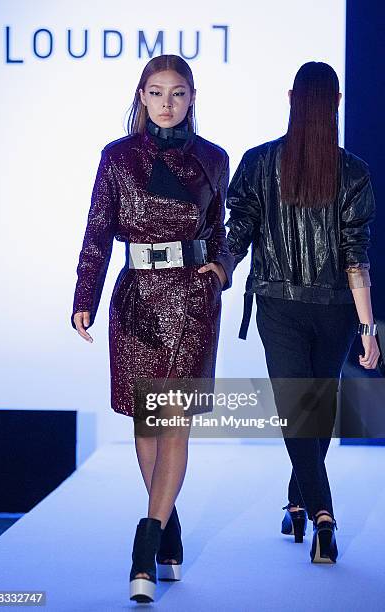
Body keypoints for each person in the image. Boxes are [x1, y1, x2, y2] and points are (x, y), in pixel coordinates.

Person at [71, 54, 234, 602]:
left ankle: (145, 544)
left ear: (192, 98)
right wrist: (83, 297)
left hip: (191, 300)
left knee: (174, 422)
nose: (168, 103)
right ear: (141, 96)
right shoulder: (116, 158)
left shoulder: (214, 158)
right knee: (147, 424)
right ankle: (169, 528)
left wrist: (222, 268)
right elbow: (97, 231)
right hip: (137, 298)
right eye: (157, 92)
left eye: (179, 93)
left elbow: (219, 229)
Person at [225, 61, 380, 564]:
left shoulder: (258, 162)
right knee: (314, 407)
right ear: (336, 102)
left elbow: (239, 230)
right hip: (336, 309)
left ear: (292, 98)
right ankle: (313, 509)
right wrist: (368, 329)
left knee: (300, 409)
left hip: (277, 305)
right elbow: (356, 257)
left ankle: (316, 514)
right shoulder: (353, 170)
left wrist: (217, 265)